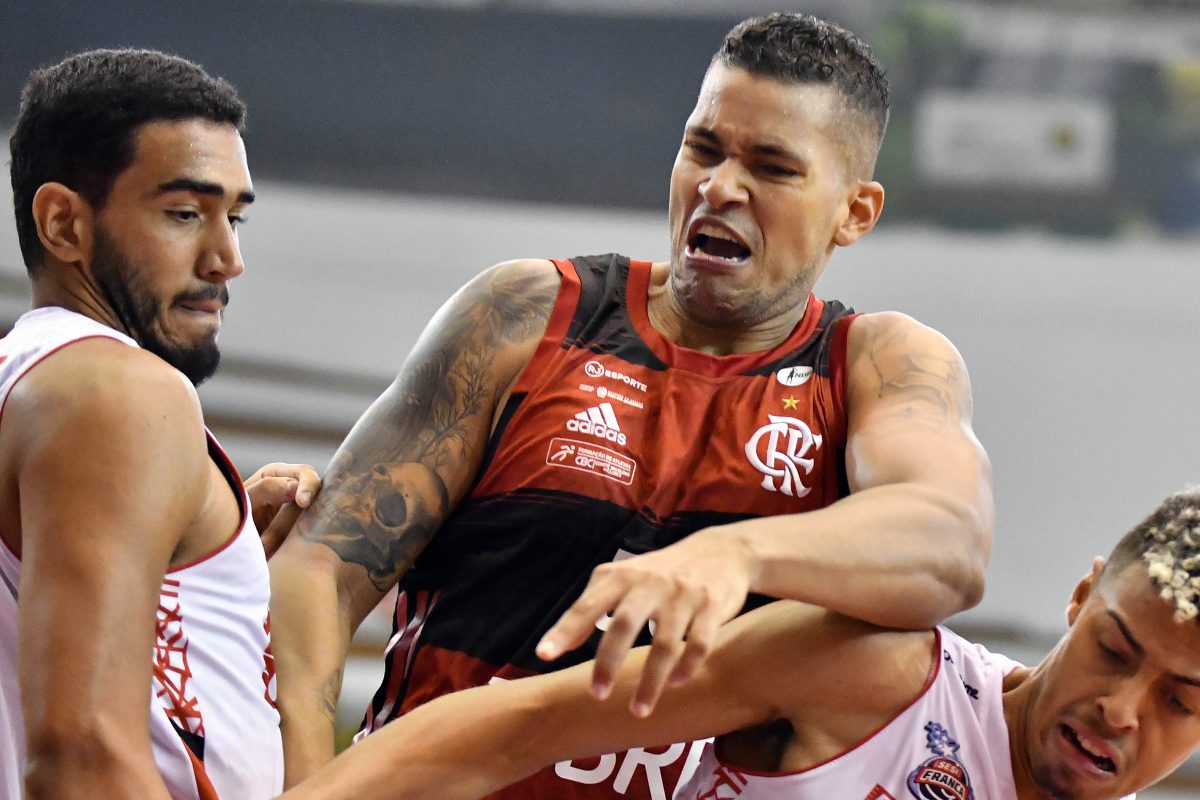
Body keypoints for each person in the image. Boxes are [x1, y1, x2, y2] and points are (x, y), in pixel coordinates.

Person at [269, 12, 994, 797]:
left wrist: (737, 554)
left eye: (773, 167)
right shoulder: (527, 312)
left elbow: (949, 543)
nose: (719, 187)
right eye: (703, 149)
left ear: (855, 211)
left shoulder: (876, 365)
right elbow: (319, 569)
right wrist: (308, 785)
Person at [283, 486, 1200, 800]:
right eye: (1115, 650)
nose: (1119, 711)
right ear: (1081, 597)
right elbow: (511, 728)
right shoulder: (886, 674)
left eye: (1180, 700)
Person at [0, 49, 320, 800]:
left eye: (234, 217)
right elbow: (82, 753)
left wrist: (201, 531)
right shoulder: (119, 392)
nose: (227, 259)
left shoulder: (37, 379)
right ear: (63, 223)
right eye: (185, 214)